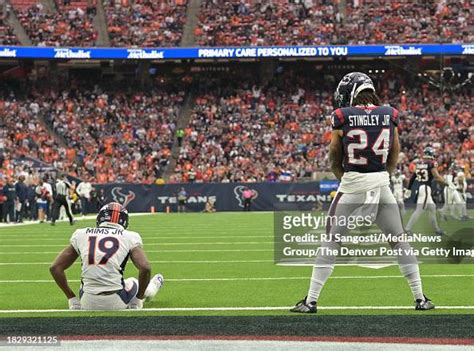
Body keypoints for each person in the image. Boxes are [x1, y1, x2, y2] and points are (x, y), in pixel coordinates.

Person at [291, 72, 434, 313]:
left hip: (352, 185)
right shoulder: (389, 114)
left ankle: (311, 301)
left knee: (331, 241)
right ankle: (421, 298)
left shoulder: (342, 116)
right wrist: (382, 176)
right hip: (381, 186)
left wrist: (346, 178)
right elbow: (394, 152)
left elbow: (334, 156)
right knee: (399, 241)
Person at [49, 202, 164, 310]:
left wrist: (72, 299)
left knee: (85, 283)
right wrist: (138, 299)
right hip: (117, 301)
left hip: (87, 302)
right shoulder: (129, 236)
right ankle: (153, 287)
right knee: (134, 282)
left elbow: (55, 267)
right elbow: (145, 267)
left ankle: (76, 301)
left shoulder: (81, 234)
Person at [405, 147, 448, 236]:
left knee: (432, 208)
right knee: (419, 210)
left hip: (421, 188)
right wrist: (446, 183)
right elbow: (436, 176)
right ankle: (407, 229)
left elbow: (413, 177)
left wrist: (409, 188)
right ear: (431, 154)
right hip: (425, 188)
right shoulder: (431, 163)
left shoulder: (419, 163)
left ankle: (437, 230)